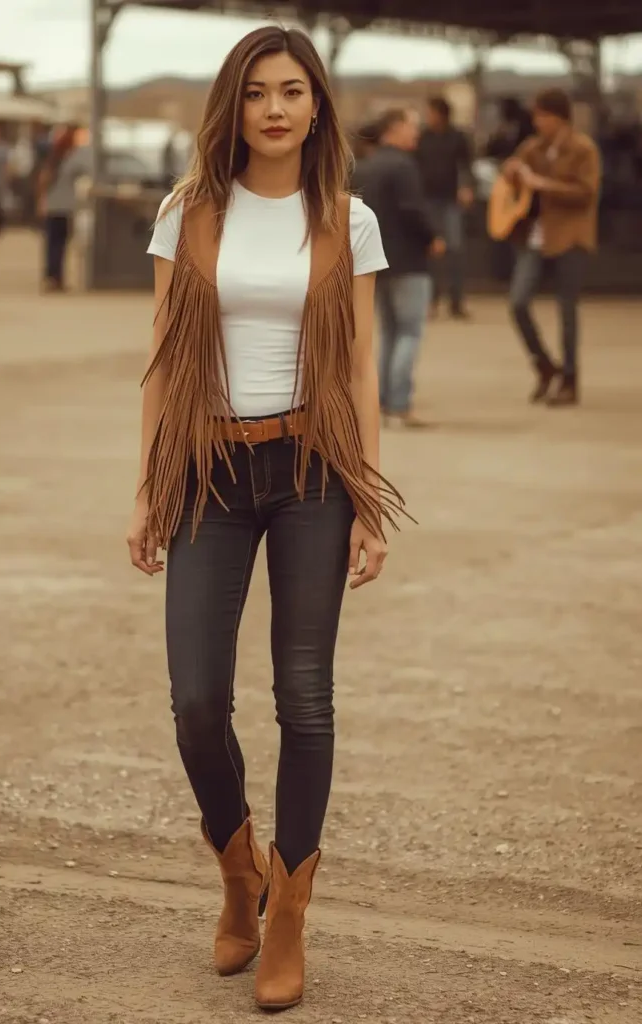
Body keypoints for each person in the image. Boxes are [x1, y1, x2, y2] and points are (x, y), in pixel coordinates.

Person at [127, 25, 407, 1013]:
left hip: (313, 475)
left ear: (318, 105)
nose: (275, 108)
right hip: (205, 466)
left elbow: (364, 363)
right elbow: (164, 356)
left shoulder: (348, 217)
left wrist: (369, 496)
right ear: (231, 106)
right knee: (197, 700)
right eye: (256, 93)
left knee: (305, 696)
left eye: (293, 90)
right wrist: (147, 486)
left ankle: (286, 908)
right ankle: (236, 863)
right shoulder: (187, 212)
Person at [504, 88, 601, 407]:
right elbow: (515, 177)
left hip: (571, 235)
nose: (537, 123)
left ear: (559, 117)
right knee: (518, 302)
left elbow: (587, 192)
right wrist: (512, 174)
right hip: (536, 236)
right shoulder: (533, 148)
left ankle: (570, 379)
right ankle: (545, 364)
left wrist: (544, 185)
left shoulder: (583, 149)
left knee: (567, 308)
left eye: (542, 116)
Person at [353, 109, 444, 426]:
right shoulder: (403, 166)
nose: (416, 132)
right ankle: (400, 405)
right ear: (394, 129)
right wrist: (433, 237)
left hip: (376, 262)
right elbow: (413, 209)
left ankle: (380, 403)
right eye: (410, 126)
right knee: (409, 332)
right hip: (409, 262)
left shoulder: (365, 167)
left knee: (390, 332)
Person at [416, 96, 475, 318]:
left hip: (450, 200)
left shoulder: (458, 137)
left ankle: (457, 300)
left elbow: (466, 165)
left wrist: (466, 187)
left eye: (431, 112)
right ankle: (431, 300)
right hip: (428, 199)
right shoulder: (423, 137)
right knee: (431, 250)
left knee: (455, 250)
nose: (428, 117)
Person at [36, 123, 89, 291]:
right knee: (60, 244)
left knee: (52, 244)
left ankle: (51, 277)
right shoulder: (73, 157)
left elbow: (43, 180)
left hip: (53, 205)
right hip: (65, 207)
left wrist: (42, 201)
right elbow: (89, 169)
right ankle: (56, 278)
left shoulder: (55, 157)